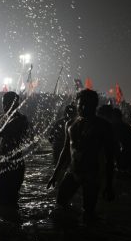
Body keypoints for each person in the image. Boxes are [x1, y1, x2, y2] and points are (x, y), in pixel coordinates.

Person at [47, 89, 116, 221]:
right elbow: (66, 150)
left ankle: (86, 237)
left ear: (95, 106)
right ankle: (67, 233)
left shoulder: (103, 126)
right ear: (76, 104)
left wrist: (109, 184)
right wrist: (55, 175)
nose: (83, 107)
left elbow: (109, 157)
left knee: (89, 211)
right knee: (60, 204)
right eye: (81, 104)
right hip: (72, 172)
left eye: (88, 105)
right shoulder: (70, 124)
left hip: (92, 174)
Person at [0, 91, 30, 207]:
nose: (4, 107)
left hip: (14, 164)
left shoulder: (21, 119)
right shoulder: (4, 118)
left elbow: (0, 133)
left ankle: (13, 222)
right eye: (4, 103)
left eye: (8, 103)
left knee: (11, 199)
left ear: (15, 104)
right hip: (2, 163)